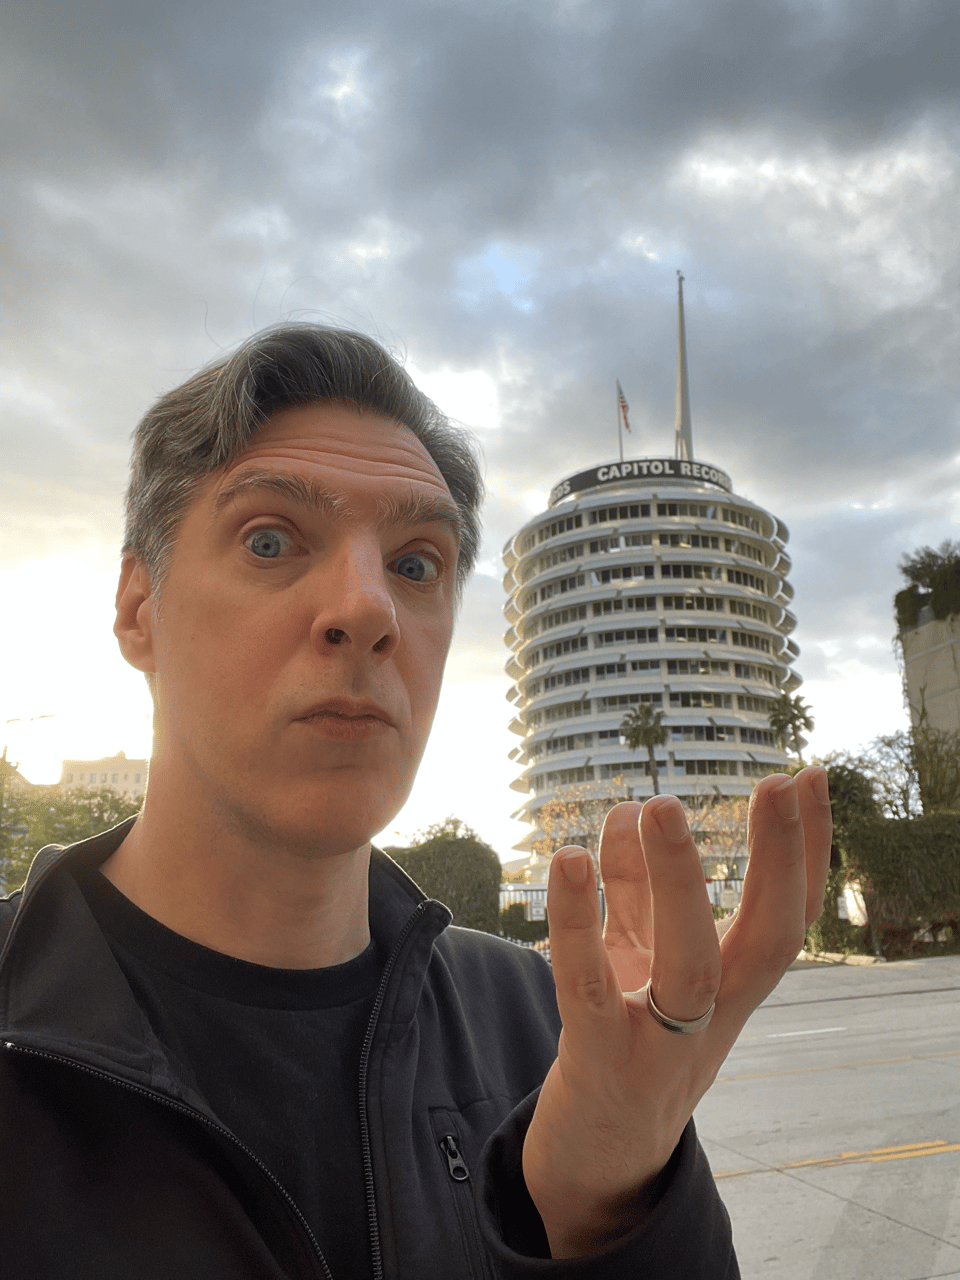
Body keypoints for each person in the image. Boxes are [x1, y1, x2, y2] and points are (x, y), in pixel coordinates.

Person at [0, 324, 832, 1279]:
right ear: (138, 607)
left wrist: (612, 1212)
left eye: (415, 564)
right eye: (270, 540)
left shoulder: (543, 1021)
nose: (369, 608)